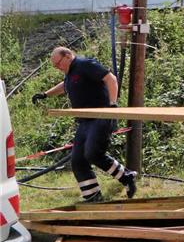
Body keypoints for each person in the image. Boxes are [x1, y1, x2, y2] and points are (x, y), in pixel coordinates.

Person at [32, 47, 136, 202]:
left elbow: (110, 78)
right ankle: (93, 196)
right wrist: (45, 94)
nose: (58, 68)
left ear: (67, 56)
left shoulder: (85, 64)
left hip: (100, 116)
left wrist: (113, 104)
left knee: (93, 153)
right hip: (84, 121)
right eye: (55, 66)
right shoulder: (70, 72)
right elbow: (64, 85)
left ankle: (127, 177)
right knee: (78, 161)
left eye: (58, 63)